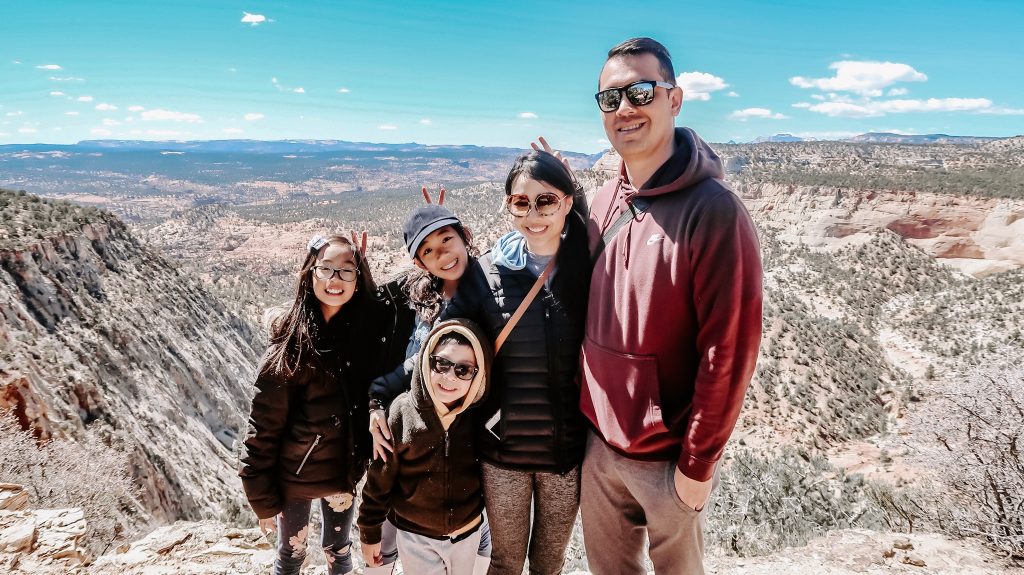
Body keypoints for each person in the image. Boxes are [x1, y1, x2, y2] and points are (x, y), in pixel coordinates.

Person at [578, 37, 763, 574]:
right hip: (599, 443)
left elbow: (728, 350)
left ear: (674, 100)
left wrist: (698, 465)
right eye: (610, 98)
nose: (625, 109)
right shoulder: (607, 197)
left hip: (667, 459)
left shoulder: (714, 211)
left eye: (640, 91)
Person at [440, 150, 591, 575]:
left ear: (566, 202)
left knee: (549, 562)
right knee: (503, 563)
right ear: (508, 206)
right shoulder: (484, 274)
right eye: (521, 203)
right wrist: (380, 397)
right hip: (502, 454)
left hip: (565, 455)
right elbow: (441, 340)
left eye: (546, 201)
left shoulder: (587, 266)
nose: (533, 214)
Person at [239, 234, 377, 575]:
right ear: (309, 274)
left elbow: (400, 299)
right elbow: (263, 429)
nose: (335, 279)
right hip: (293, 478)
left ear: (359, 279)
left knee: (339, 552)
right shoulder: (290, 346)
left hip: (343, 474)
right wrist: (262, 501)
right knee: (291, 553)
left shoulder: (364, 337)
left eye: (347, 271)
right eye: (326, 269)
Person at [367, 197, 492, 573]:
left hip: (463, 428)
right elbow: (406, 364)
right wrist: (376, 406)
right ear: (419, 262)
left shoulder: (490, 287)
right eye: (428, 250)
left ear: (465, 237)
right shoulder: (422, 295)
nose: (442, 254)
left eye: (446, 240)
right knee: (397, 516)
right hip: (412, 424)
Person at [358, 319, 493, 574]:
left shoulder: (477, 416)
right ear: (425, 361)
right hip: (416, 536)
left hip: (467, 534)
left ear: (477, 375)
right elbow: (379, 480)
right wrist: (369, 530)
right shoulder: (401, 412)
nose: (449, 377)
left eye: (463, 370)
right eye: (441, 364)